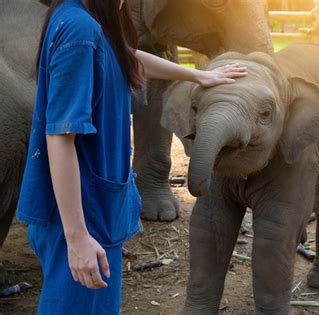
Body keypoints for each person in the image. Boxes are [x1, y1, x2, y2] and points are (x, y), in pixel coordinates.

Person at [16, 0, 246, 313]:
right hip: (82, 216)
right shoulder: (79, 30)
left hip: (95, 211)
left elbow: (125, 58)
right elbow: (60, 136)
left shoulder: (87, 20)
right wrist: (78, 237)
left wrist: (198, 76)